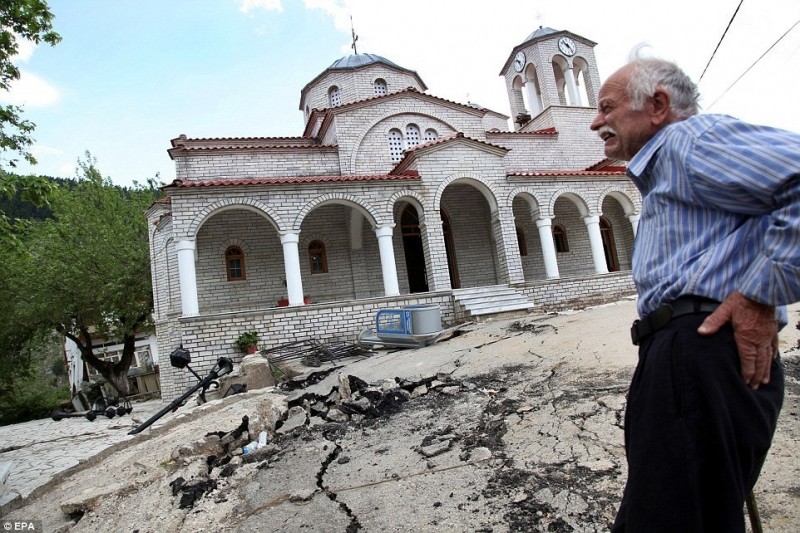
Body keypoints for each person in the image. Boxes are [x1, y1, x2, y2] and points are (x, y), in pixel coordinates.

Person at [590, 53, 800, 532]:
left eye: (607, 107)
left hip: (700, 350)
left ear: (658, 105)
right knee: (695, 512)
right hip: (685, 355)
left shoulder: (690, 141)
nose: (596, 122)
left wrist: (759, 294)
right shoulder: (670, 166)